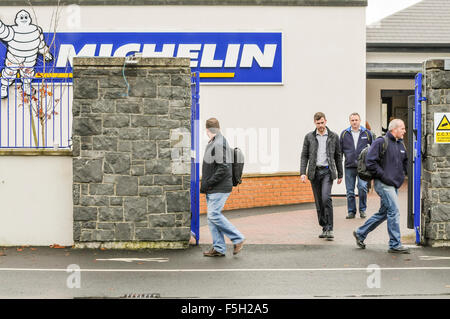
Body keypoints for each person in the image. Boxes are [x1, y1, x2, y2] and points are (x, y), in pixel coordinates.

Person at [353, 119, 410, 254]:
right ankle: (395, 244)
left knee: (384, 213)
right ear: (394, 129)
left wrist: (402, 176)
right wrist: (383, 176)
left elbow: (405, 162)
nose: (404, 131)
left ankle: (360, 233)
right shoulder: (380, 142)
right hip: (383, 184)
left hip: (393, 184)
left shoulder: (401, 144)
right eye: (402, 128)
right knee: (394, 211)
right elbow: (370, 162)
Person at [200, 118, 245, 257]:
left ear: (207, 130)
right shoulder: (216, 141)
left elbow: (223, 168)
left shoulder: (218, 143)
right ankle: (219, 247)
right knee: (212, 217)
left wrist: (208, 183)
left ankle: (237, 238)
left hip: (218, 187)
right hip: (215, 187)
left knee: (214, 215)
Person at [300, 112, 343, 241]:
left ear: (326, 121)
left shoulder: (333, 136)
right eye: (318, 123)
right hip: (314, 172)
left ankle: (330, 228)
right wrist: (303, 172)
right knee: (319, 202)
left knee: (326, 198)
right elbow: (304, 155)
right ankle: (324, 227)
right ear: (315, 123)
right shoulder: (309, 137)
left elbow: (338, 156)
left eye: (322, 122)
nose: (320, 125)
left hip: (327, 172)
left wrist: (340, 174)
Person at [340, 113, 373, 219]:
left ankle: (362, 210)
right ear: (350, 121)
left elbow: (372, 150)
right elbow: (340, 152)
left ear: (360, 121)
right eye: (352, 120)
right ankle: (351, 211)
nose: (354, 122)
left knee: (362, 187)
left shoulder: (367, 133)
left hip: (362, 167)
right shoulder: (344, 134)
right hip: (349, 166)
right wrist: (339, 167)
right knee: (350, 191)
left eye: (356, 120)